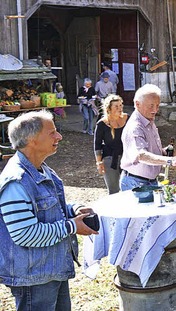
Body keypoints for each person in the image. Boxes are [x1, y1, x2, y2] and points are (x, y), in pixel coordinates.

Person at [0, 110, 97, 311]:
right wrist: (71, 226)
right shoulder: (16, 182)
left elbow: (49, 209)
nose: (59, 136)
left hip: (50, 270)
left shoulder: (40, 168)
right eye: (52, 132)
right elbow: (24, 234)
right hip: (33, 277)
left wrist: (73, 209)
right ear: (31, 140)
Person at [120, 84, 176, 191]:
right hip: (136, 183)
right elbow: (141, 155)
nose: (155, 110)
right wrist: (170, 160)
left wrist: (163, 152)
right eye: (151, 106)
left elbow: (148, 150)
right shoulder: (135, 127)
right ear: (137, 104)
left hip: (149, 181)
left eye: (157, 105)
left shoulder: (148, 120)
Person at [95, 94, 128, 194]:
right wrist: (99, 162)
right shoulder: (102, 124)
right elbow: (97, 145)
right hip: (110, 159)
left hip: (127, 158)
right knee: (114, 190)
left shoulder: (128, 118)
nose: (120, 108)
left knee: (128, 189)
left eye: (121, 105)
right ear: (109, 108)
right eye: (116, 106)